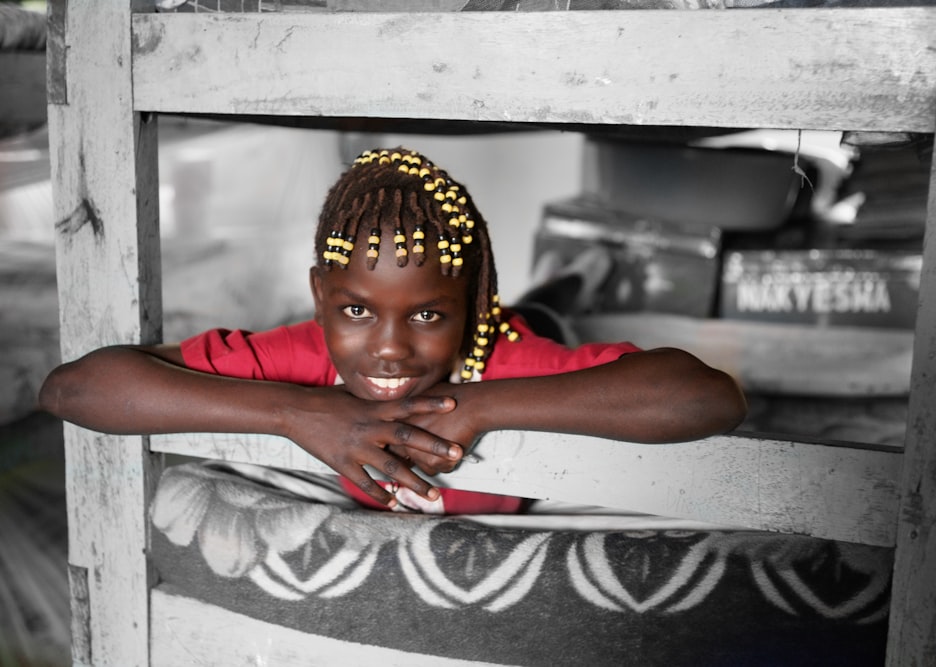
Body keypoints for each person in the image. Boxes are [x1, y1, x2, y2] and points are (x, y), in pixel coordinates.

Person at [39, 147, 747, 514]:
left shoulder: (504, 355)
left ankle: (577, 273)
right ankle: (571, 270)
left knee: (551, 302)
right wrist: (297, 411)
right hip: (481, 325)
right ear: (321, 296)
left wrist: (484, 404)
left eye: (427, 313)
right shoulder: (304, 355)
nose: (388, 346)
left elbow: (710, 398)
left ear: (469, 304)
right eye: (356, 310)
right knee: (543, 291)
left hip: (527, 326)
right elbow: (73, 389)